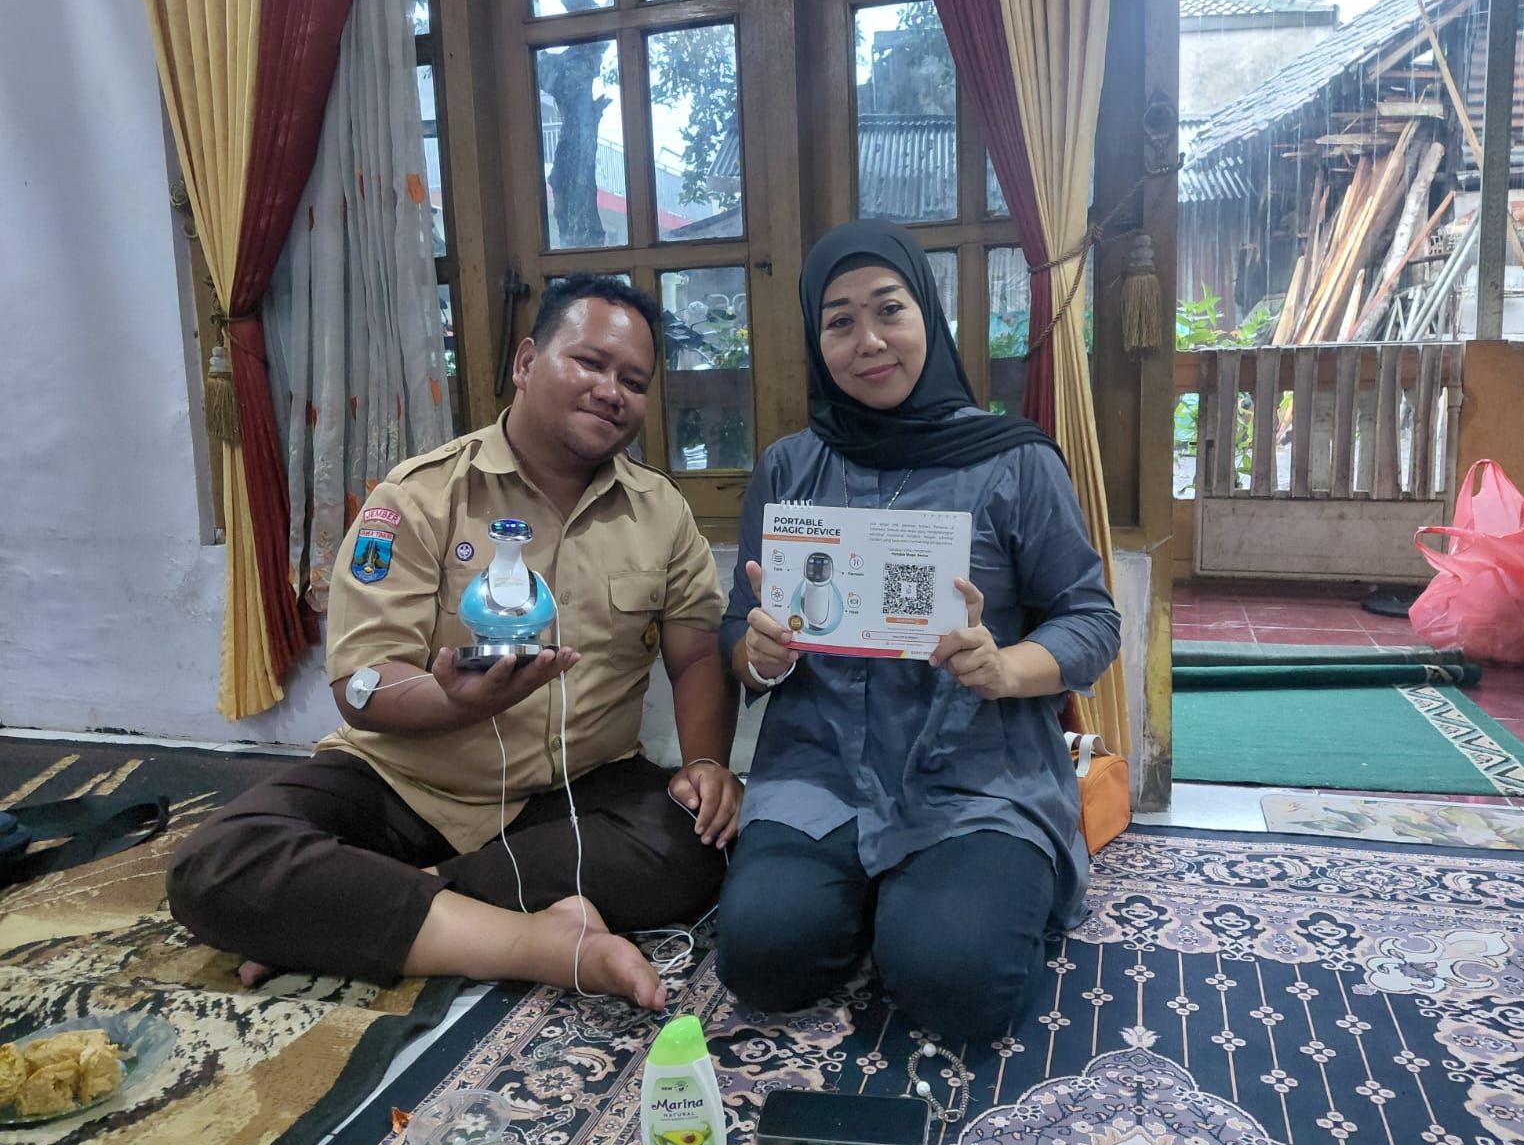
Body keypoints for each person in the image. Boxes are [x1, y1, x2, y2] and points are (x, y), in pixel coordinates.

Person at [168, 275, 740, 1009]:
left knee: (702, 840)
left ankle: (367, 912)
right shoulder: (419, 497)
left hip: (576, 789)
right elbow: (360, 685)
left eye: (634, 381)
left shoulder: (661, 512)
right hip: (407, 784)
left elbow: (696, 655)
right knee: (218, 864)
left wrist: (704, 763)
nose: (611, 392)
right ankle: (538, 942)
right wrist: (450, 702)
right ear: (526, 363)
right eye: (590, 363)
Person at [715, 220, 1122, 1043]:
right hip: (821, 772)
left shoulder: (1016, 460)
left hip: (976, 777)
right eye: (839, 321)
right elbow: (739, 629)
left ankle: (927, 904)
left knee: (958, 987)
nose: (868, 341)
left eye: (888, 310)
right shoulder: (790, 468)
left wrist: (1007, 668)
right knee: (761, 959)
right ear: (817, 341)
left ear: (927, 316)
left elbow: (1091, 617)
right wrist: (758, 657)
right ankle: (875, 898)